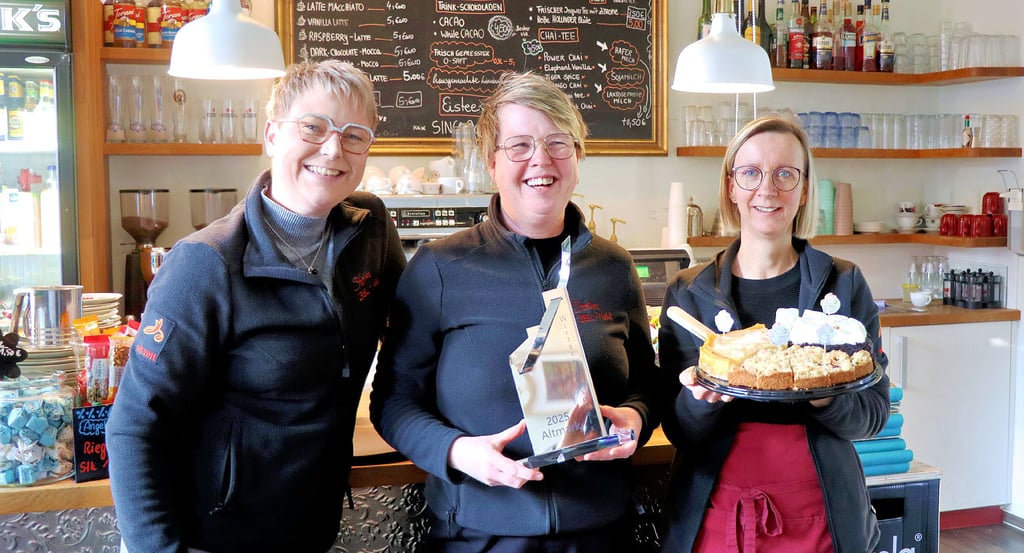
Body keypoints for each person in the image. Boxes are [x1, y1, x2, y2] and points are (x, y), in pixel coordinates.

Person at [106, 60, 406, 553]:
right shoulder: (204, 264)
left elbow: (412, 329)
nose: (333, 149)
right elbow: (135, 425)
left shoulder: (369, 225)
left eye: (355, 135)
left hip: (310, 524)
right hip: (213, 535)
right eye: (313, 127)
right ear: (271, 134)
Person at [370, 71, 659, 553]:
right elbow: (393, 401)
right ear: (492, 164)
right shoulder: (439, 267)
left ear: (578, 156)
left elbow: (647, 384)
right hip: (478, 533)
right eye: (519, 145)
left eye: (557, 143)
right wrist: (458, 452)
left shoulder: (613, 267)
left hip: (599, 531)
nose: (540, 160)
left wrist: (635, 418)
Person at [657, 115, 890, 553]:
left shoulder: (844, 283)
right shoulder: (688, 294)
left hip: (822, 514)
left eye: (786, 174)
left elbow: (874, 414)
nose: (767, 189)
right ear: (731, 186)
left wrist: (823, 391)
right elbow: (677, 429)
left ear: (804, 190)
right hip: (715, 513)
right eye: (750, 173)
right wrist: (700, 401)